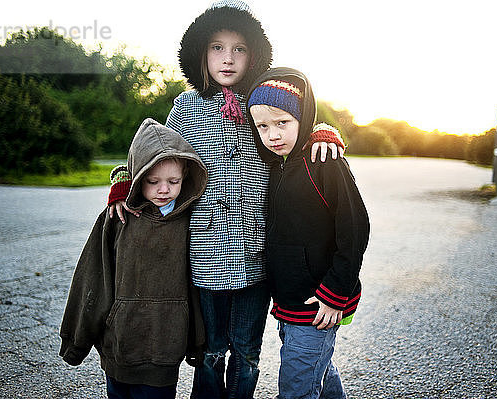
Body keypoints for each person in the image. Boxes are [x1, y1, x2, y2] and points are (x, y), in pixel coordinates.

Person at [106, 2, 345, 397]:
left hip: (256, 255)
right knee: (212, 352)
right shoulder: (186, 107)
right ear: (201, 53)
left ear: (254, 56)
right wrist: (125, 179)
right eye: (217, 48)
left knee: (247, 354)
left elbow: (294, 129)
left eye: (239, 49)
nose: (228, 58)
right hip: (205, 254)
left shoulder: (263, 100)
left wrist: (322, 132)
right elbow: (158, 155)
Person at [59, 118, 208, 399]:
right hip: (120, 344)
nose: (164, 189)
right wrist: (76, 340)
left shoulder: (192, 218)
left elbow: (194, 284)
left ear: (185, 175)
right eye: (152, 182)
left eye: (173, 181)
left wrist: (197, 342)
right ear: (138, 177)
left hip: (165, 348)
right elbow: (92, 277)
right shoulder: (118, 217)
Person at [246, 67, 370, 398]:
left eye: (283, 122)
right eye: (262, 126)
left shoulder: (324, 161)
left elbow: (355, 229)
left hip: (320, 301)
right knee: (318, 369)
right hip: (288, 299)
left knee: (298, 385)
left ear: (303, 117)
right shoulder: (272, 164)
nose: (272, 134)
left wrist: (334, 293)